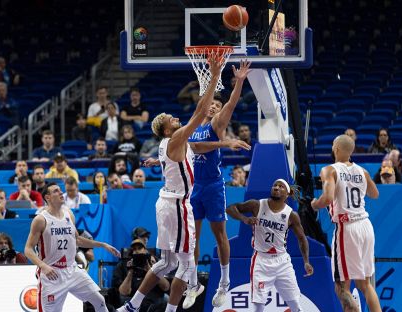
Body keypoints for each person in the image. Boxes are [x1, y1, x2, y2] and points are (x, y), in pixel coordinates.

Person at [116, 55, 222, 312]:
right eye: (172, 120)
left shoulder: (173, 143)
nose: (176, 118)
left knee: (166, 262)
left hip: (167, 202)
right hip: (177, 205)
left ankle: (133, 305)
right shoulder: (175, 139)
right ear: (166, 130)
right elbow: (199, 112)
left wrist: (225, 143)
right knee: (186, 260)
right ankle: (190, 290)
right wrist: (215, 76)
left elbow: (196, 146)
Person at [181, 59, 253, 309]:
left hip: (213, 186)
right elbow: (192, 147)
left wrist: (240, 81)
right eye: (210, 103)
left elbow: (232, 104)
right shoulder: (193, 124)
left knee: (219, 234)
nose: (212, 107)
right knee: (192, 239)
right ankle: (192, 284)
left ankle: (224, 284)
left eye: (216, 105)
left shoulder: (216, 124)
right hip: (194, 186)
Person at [311, 134, 382, 312]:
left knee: (342, 286)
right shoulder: (362, 171)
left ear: (335, 149)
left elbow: (326, 199)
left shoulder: (329, 170)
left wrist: (314, 204)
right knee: (365, 284)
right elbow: (375, 194)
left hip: (347, 228)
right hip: (365, 225)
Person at [24, 182, 120, 312]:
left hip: (72, 269)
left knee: (100, 301)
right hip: (52, 274)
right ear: (48, 197)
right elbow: (28, 249)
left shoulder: (69, 214)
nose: (60, 193)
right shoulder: (40, 220)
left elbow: (77, 240)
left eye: (60, 190)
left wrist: (102, 245)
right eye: (56, 191)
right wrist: (43, 266)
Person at [226, 179, 314, 311]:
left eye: (281, 186)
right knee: (258, 306)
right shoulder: (257, 205)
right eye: (274, 185)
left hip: (282, 261)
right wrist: (244, 219)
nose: (276, 188)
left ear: (287, 194)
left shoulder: (291, 215)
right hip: (261, 260)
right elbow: (230, 208)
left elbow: (302, 239)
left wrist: (306, 261)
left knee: (295, 304)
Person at [112, 239, 169, 311]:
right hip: (134, 303)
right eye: (134, 249)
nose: (137, 251)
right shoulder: (124, 265)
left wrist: (151, 270)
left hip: (154, 302)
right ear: (131, 252)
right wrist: (130, 271)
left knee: (166, 300)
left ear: (145, 250)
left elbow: (166, 287)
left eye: (139, 248)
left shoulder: (155, 263)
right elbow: (123, 293)